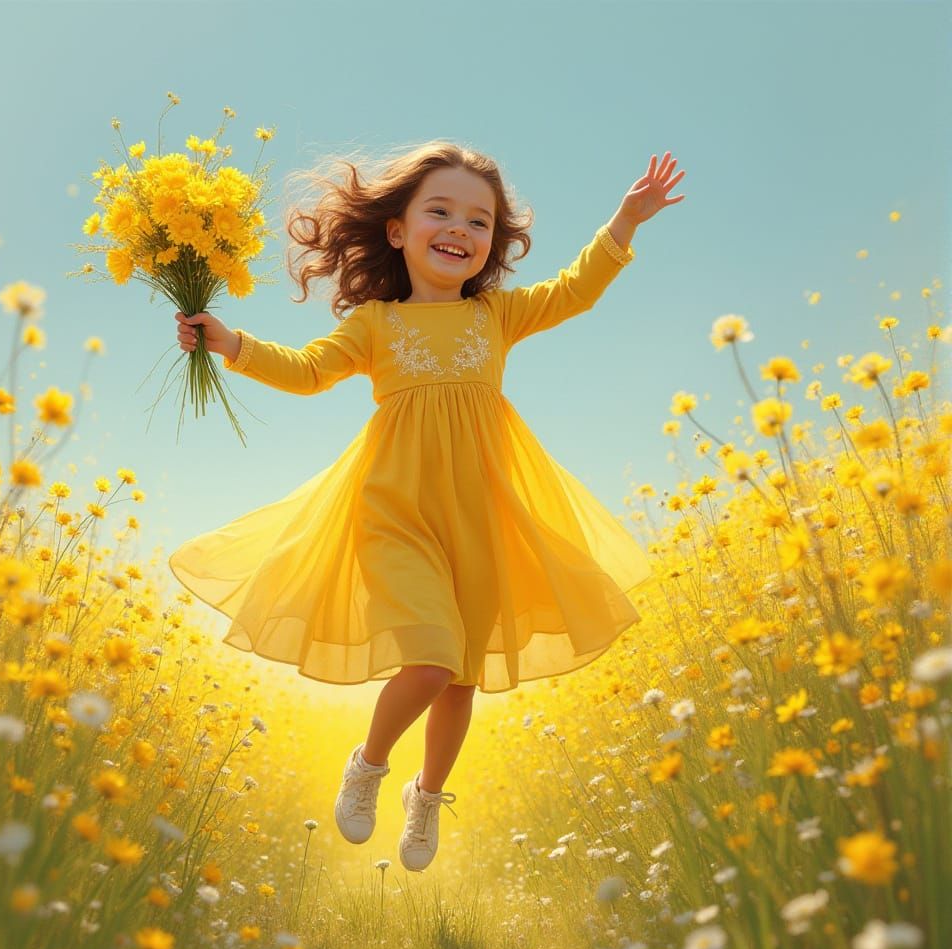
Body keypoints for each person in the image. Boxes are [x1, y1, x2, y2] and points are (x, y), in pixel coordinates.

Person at [170, 142, 685, 871]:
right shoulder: (376, 325)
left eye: (480, 221)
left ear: (491, 245)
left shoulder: (496, 317)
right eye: (439, 211)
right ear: (396, 230)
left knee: (462, 674)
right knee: (432, 660)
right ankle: (370, 765)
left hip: (480, 515)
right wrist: (234, 343)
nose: (459, 229)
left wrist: (624, 222)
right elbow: (312, 370)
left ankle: (426, 796)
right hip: (395, 512)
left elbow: (576, 289)